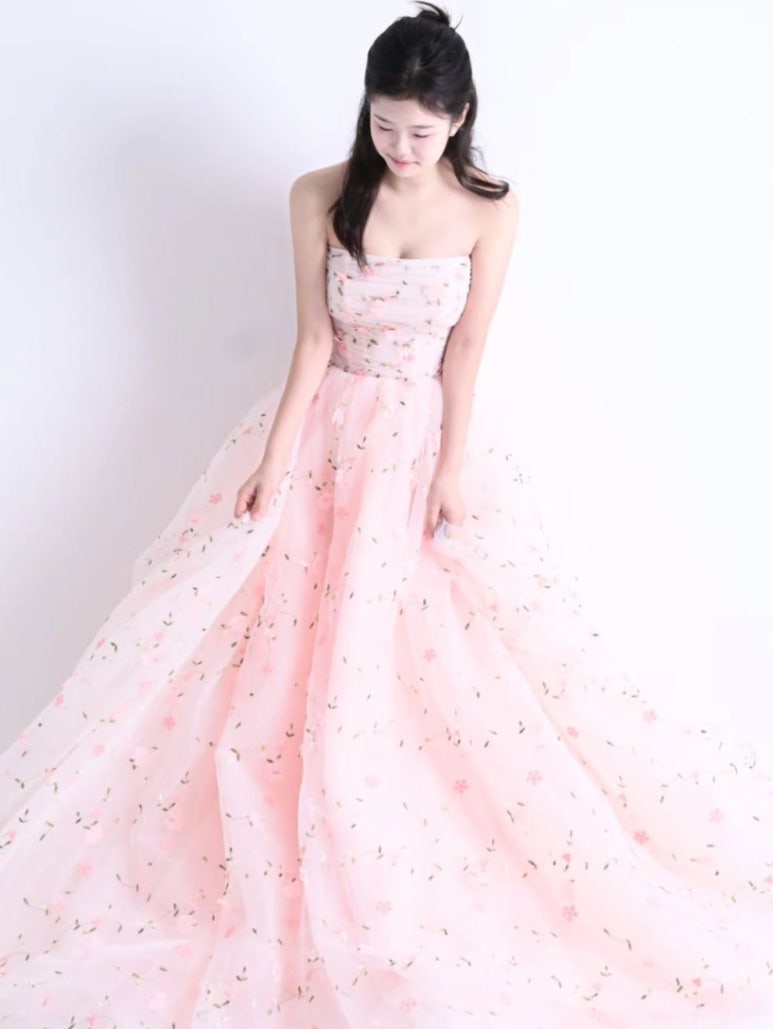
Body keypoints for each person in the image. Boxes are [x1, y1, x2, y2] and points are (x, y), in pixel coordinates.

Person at [1, 3, 771, 1027]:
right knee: (263, 646)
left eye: (419, 130)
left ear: (459, 118)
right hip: (327, 431)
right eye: (382, 125)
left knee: (437, 658)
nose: (400, 148)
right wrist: (273, 462)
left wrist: (448, 470)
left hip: (416, 442)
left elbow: (467, 352)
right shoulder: (320, 194)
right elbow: (312, 341)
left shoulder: (491, 209)